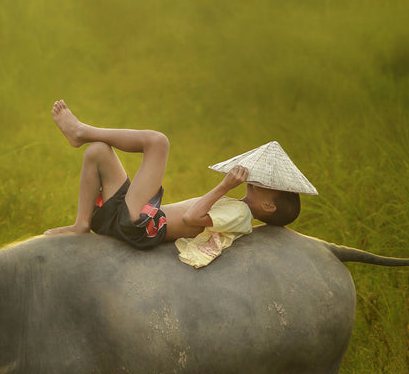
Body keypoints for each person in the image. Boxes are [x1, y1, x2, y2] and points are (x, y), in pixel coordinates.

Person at [44, 100, 301, 267]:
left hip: (144, 227)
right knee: (98, 152)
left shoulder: (241, 214)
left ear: (268, 207)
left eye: (270, 187)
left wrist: (225, 186)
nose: (263, 182)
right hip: (134, 218)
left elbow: (192, 218)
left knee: (158, 143)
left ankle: (81, 132)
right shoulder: (238, 210)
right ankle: (82, 223)